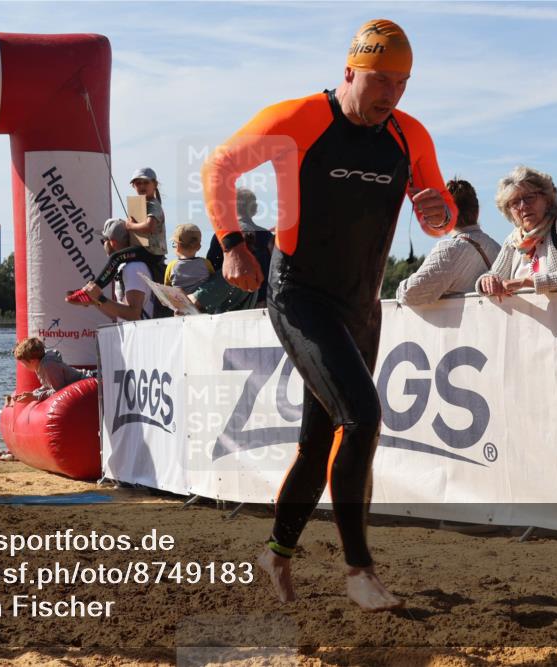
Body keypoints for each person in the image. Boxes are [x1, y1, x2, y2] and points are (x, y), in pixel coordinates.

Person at [202, 19, 457, 611]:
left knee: (321, 441)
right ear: (349, 71)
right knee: (363, 415)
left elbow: (436, 217)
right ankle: (360, 571)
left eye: (401, 82)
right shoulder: (298, 120)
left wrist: (437, 211)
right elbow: (219, 166)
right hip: (300, 295)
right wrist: (233, 244)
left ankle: (275, 553)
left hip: (361, 305)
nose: (390, 92)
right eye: (379, 79)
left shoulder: (409, 135)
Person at [476, 166, 557, 299]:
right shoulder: (513, 240)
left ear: (547, 199)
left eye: (529, 197)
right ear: (509, 211)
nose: (523, 206)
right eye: (514, 202)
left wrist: (526, 282)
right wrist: (486, 281)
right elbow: (494, 274)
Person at [67, 168, 167, 303]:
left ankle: (93, 291)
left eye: (145, 183)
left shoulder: (152, 204)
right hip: (147, 250)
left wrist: (130, 226)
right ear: (133, 186)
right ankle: (92, 291)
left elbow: (150, 226)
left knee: (116, 256)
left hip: (151, 252)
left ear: (154, 184)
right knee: (117, 259)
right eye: (138, 183)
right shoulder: (142, 204)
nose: (142, 186)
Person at [396, 178, 501, 305]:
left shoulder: (449, 250)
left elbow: (411, 295)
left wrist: (401, 287)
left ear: (445, 213)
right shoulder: (498, 249)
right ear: (477, 212)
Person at [71, 218, 156, 321]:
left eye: (103, 241)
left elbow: (134, 314)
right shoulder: (127, 267)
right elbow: (119, 316)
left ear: (112, 243)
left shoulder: (133, 268)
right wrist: (94, 300)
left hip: (140, 335)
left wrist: (99, 298)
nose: (103, 245)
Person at [206, 187, 275, 306]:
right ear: (254, 209)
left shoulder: (223, 235)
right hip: (263, 299)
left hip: (229, 300)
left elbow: (211, 266)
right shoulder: (267, 236)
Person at [7, 337, 96, 406]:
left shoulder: (47, 365)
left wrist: (34, 397)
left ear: (32, 360)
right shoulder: (41, 365)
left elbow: (59, 391)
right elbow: (48, 385)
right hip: (88, 379)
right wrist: (33, 393)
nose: (24, 366)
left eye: (23, 363)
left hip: (90, 380)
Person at [165, 224, 215, 293]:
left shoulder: (172, 266)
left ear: (178, 246)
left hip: (179, 303)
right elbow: (213, 281)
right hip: (200, 302)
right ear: (198, 247)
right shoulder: (206, 263)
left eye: (174, 244)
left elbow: (167, 289)